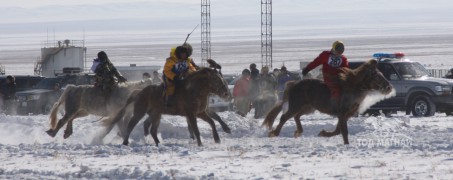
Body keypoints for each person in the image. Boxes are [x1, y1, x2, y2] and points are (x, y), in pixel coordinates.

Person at [302, 40, 349, 110]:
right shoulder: (326, 55)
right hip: (329, 77)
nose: (340, 52)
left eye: (341, 50)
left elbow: (346, 69)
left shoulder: (343, 58)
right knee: (336, 89)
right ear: (334, 48)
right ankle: (334, 107)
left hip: (339, 78)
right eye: (338, 49)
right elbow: (316, 62)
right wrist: (307, 69)